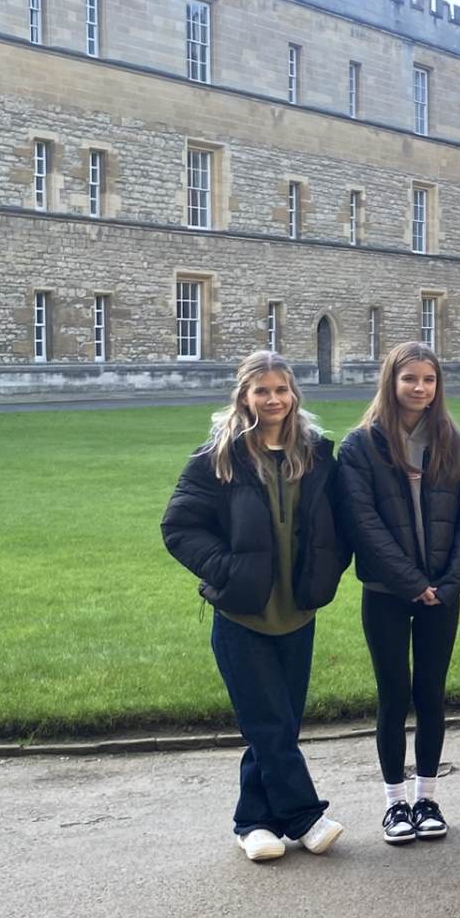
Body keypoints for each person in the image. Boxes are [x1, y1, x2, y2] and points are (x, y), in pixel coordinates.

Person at [161, 351, 350, 862]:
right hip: (242, 614)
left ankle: (254, 823)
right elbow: (178, 527)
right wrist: (227, 570)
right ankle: (305, 816)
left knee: (278, 724)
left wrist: (328, 568)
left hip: (297, 612)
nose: (273, 399)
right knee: (267, 724)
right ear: (244, 396)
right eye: (261, 390)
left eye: (281, 390)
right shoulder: (218, 457)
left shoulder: (316, 456)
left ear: (294, 395)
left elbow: (341, 524)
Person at [334, 342, 460, 844]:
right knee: (394, 695)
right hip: (386, 591)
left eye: (429, 379)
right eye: (410, 379)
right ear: (391, 382)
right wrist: (411, 582)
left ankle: (427, 798)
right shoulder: (361, 446)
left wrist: (450, 582)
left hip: (442, 592)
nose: (420, 388)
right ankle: (395, 803)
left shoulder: (452, 443)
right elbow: (363, 523)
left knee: (431, 694)